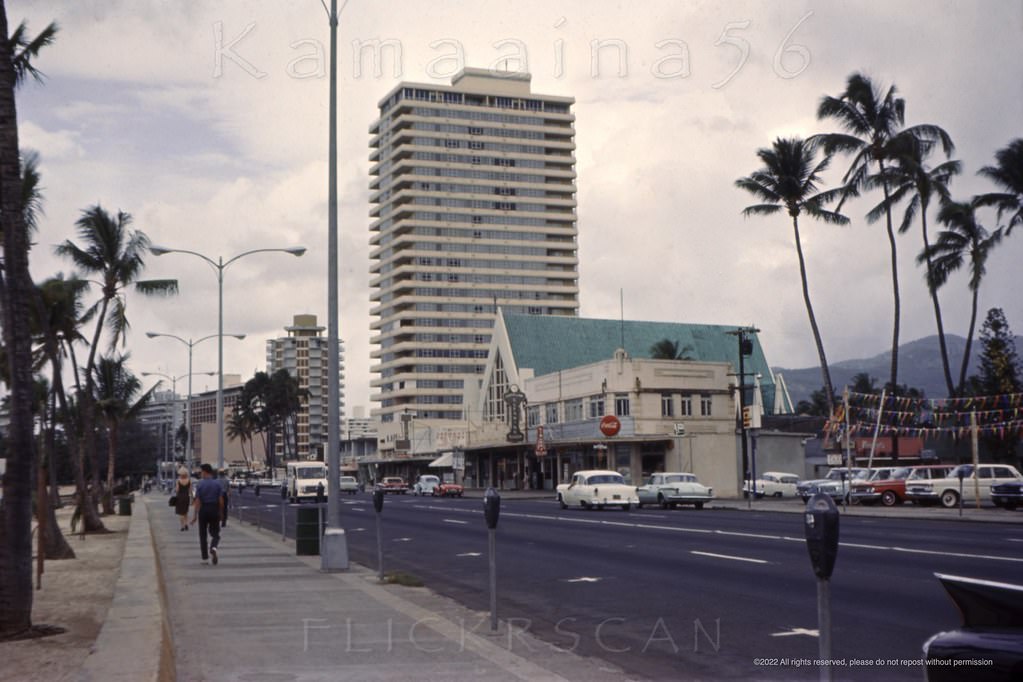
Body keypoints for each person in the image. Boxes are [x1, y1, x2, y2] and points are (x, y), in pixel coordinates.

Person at [191, 464, 224, 565]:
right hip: (214, 509)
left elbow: (197, 501)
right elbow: (221, 500)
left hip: (203, 510)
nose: (200, 474)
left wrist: (195, 515)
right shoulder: (217, 484)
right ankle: (213, 547)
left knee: (203, 534)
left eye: (201, 472)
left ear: (205, 472)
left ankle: (205, 558)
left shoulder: (200, 484)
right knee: (215, 533)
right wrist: (221, 512)